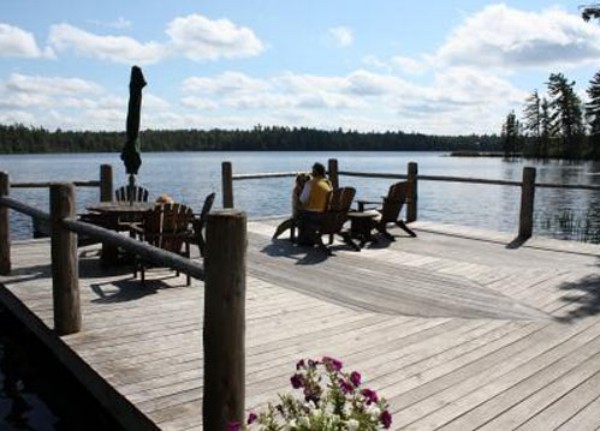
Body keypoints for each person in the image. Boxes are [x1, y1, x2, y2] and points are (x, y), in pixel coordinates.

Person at [297, 162, 333, 245]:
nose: (311, 172)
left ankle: (305, 240)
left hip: (315, 215)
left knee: (301, 215)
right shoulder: (328, 183)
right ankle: (309, 238)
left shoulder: (310, 183)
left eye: (312, 170)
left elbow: (302, 199)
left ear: (316, 172)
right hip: (328, 214)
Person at [272, 172, 311, 239]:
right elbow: (297, 205)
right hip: (299, 213)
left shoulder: (306, 189)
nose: (304, 182)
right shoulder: (297, 190)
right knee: (284, 225)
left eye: (306, 181)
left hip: (304, 213)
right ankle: (276, 235)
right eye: (303, 181)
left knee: (287, 224)